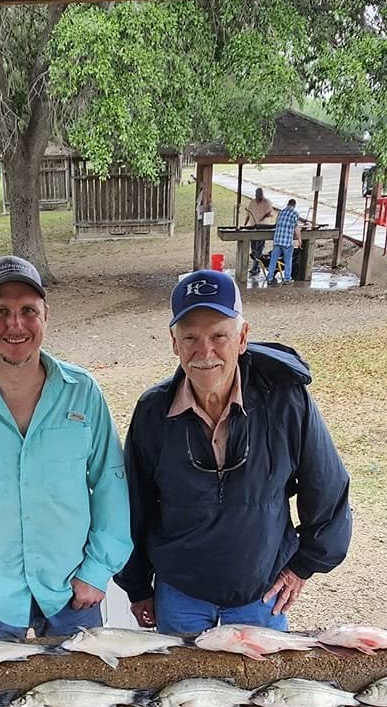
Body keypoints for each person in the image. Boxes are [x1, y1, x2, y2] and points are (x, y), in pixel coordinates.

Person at [119, 270, 352, 633]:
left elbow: (327, 486)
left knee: (260, 674)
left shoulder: (286, 403)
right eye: (190, 337)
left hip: (260, 593)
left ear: (242, 338)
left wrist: (303, 565)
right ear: (174, 343)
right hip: (179, 594)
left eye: (218, 336)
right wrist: (137, 587)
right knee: (182, 673)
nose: (204, 352)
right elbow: (134, 505)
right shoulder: (153, 412)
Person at [0, 255, 131, 640]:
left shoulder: (83, 392)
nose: (15, 325)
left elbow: (111, 482)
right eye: (1, 311)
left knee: (78, 681)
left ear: (45, 315)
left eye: (28, 310)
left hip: (72, 592)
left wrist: (98, 571)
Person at [264, 197, 300, 285]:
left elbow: (277, 224)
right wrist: (299, 239)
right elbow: (296, 228)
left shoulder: (281, 212)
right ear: (294, 205)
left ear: (288, 204)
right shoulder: (295, 213)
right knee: (288, 261)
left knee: (273, 260)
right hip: (287, 242)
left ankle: (269, 278)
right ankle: (287, 279)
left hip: (277, 240)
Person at [244, 185, 277, 272]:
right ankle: (256, 265)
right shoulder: (252, 202)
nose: (259, 198)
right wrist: (245, 224)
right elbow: (248, 214)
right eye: (257, 196)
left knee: (259, 247)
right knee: (253, 247)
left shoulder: (267, 202)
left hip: (263, 228)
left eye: (260, 196)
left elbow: (272, 214)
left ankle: (256, 266)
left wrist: (266, 215)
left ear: (262, 195)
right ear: (255, 195)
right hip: (253, 227)